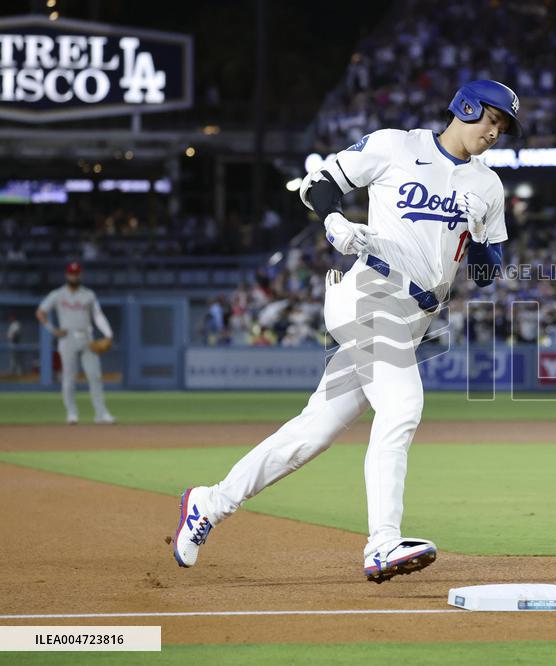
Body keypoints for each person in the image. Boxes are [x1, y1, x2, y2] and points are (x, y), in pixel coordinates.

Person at [173, 80, 521, 583]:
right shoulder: (397, 145)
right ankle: (382, 542)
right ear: (465, 107)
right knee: (403, 406)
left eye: (503, 127)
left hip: (412, 318)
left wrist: (480, 237)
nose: (495, 132)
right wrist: (334, 221)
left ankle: (210, 503)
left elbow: (489, 275)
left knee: (311, 434)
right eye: (491, 119)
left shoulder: (488, 186)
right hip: (369, 293)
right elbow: (320, 182)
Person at [36, 262, 115, 424]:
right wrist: (53, 329)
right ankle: (72, 413)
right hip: (67, 339)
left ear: (81, 275)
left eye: (77, 273)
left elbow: (98, 316)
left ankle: (101, 414)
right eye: (72, 273)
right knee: (69, 378)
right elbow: (40, 312)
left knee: (95, 376)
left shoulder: (89, 295)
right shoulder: (57, 294)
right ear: (67, 275)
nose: (74, 276)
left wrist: (108, 334)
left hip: (87, 338)